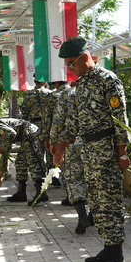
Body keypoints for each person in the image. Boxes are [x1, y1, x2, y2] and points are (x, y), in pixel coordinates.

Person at [52, 37, 130, 262]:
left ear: (85, 58)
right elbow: (75, 121)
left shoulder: (108, 80)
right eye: (67, 65)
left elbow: (120, 120)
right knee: (96, 202)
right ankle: (108, 247)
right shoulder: (81, 85)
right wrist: (61, 147)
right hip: (89, 152)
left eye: (70, 64)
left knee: (110, 203)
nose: (69, 69)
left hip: (106, 151)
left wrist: (122, 153)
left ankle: (116, 256)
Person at [50, 83, 93, 234]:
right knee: (92, 177)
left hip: (70, 141)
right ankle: (92, 215)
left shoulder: (66, 94)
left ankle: (82, 215)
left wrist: (54, 143)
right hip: (92, 141)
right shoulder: (94, 90)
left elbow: (57, 120)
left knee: (74, 179)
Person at [0, 118, 48, 205]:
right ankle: (21, 193)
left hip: (31, 135)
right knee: (20, 163)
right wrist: (0, 173)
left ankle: (41, 193)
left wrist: (3, 148)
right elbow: (5, 153)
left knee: (33, 162)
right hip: (26, 137)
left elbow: (11, 133)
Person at [20, 78, 61, 187]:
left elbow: (24, 113)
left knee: (37, 152)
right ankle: (53, 176)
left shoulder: (28, 95)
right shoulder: (50, 94)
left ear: (34, 81)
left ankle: (41, 178)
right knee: (50, 150)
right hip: (49, 124)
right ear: (44, 82)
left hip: (34, 125)